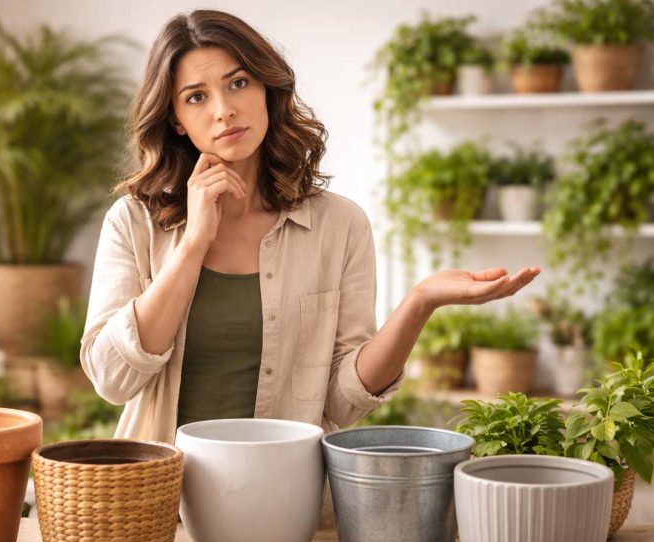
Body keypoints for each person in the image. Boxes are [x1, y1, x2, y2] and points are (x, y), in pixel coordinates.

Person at [80, 9, 539, 443]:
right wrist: (194, 242)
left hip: (288, 501)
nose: (224, 110)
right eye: (196, 96)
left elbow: (344, 402)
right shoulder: (134, 222)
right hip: (158, 505)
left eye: (238, 83)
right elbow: (112, 380)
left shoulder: (340, 226)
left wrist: (419, 303)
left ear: (266, 91)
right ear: (176, 120)